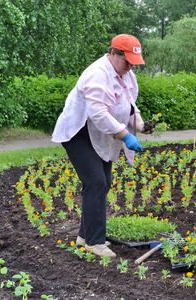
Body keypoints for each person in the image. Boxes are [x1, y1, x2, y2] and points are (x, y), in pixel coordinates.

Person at [52, 34, 155, 258]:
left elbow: (129, 107)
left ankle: (84, 235)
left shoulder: (127, 76)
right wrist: (125, 135)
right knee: (96, 181)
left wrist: (141, 125)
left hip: (99, 133)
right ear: (113, 53)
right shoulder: (97, 74)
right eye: (126, 61)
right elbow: (98, 113)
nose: (130, 67)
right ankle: (95, 242)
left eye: (133, 62)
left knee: (104, 181)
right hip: (78, 132)